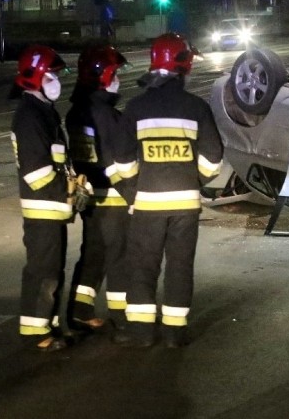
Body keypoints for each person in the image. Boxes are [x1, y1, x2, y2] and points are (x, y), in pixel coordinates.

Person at [113, 33, 223, 348]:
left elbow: (122, 158)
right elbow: (213, 157)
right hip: (185, 205)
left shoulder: (136, 107)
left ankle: (142, 334)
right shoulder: (196, 106)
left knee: (143, 266)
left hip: (147, 205)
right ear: (184, 66)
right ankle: (175, 333)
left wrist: (135, 188)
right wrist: (194, 181)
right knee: (179, 266)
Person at [9, 44, 73, 352]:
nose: (56, 82)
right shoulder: (30, 117)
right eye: (50, 77)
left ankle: (49, 323)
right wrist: (67, 191)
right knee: (42, 272)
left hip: (52, 209)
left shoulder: (43, 113)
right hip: (43, 209)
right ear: (33, 79)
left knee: (52, 271)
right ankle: (36, 332)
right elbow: (38, 174)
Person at [65, 45, 131, 334]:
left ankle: (80, 310)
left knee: (93, 254)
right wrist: (133, 194)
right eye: (114, 73)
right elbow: (117, 158)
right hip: (113, 197)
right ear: (101, 76)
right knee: (119, 257)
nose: (118, 79)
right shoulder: (107, 114)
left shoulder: (76, 112)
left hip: (89, 196)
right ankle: (122, 316)